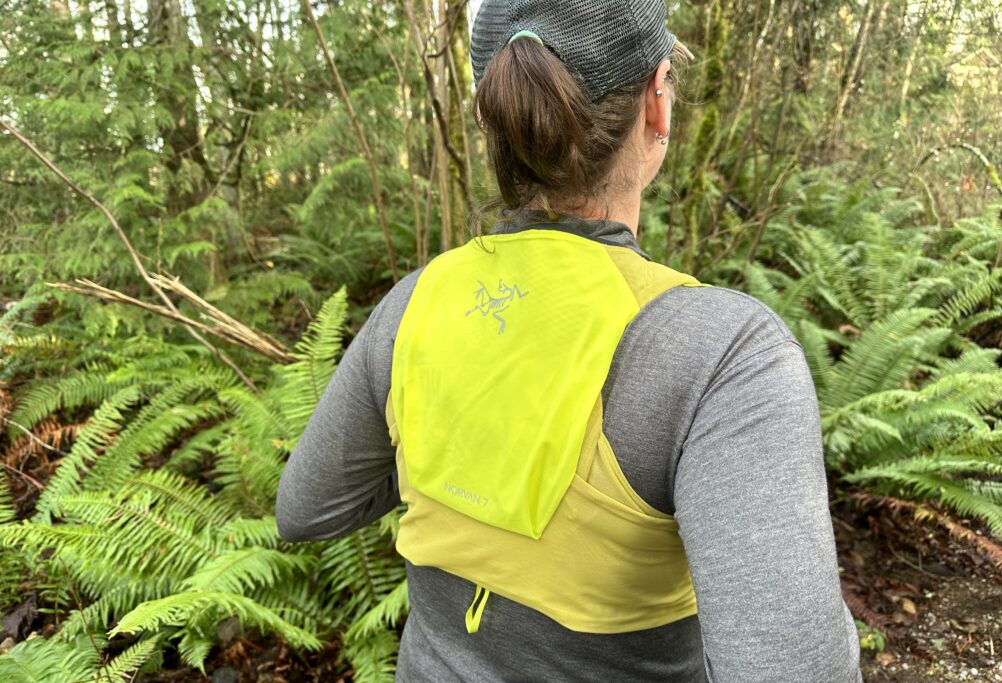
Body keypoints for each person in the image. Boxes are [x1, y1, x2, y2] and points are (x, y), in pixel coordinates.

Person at [276, 1, 863, 680]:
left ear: (500, 121)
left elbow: (307, 507)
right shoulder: (720, 353)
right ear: (658, 102)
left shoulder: (417, 301)